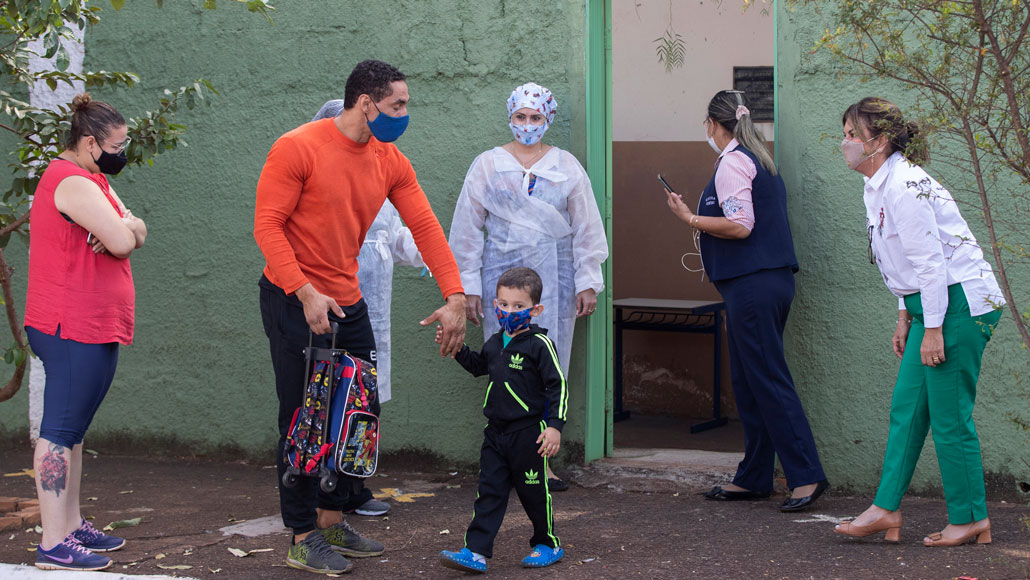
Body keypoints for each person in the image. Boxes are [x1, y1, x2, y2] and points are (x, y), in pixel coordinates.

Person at [255, 60, 467, 575]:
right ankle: (301, 534)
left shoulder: (389, 158)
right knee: (304, 420)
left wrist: (455, 296)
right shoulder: (298, 146)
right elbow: (268, 227)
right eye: (398, 104)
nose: (404, 113)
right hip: (293, 299)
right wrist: (304, 291)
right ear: (366, 103)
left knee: (357, 412)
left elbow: (426, 227)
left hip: (348, 302)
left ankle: (331, 520)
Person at [833, 97, 1004, 546]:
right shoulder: (878, 186)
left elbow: (929, 264)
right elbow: (901, 264)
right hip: (932, 304)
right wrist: (905, 314)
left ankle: (971, 518)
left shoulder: (905, 185)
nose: (845, 143)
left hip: (960, 302)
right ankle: (885, 509)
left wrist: (932, 329)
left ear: (881, 141)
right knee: (907, 409)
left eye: (853, 134)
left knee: (949, 417)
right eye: (845, 133)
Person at [664, 90, 828, 512]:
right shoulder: (758, 158)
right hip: (759, 284)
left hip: (753, 286)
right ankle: (754, 477)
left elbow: (740, 226)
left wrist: (688, 218)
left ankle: (806, 477)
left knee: (768, 379)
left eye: (706, 123)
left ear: (715, 124)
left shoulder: (734, 162)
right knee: (750, 380)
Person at [448, 82, 608, 490]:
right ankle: (505, 458)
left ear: (547, 119)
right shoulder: (487, 165)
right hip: (498, 276)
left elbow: (585, 226)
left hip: (552, 279)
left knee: (547, 364)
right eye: (520, 116)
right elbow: (467, 228)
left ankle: (543, 463)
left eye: (535, 117)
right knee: (504, 365)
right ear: (510, 117)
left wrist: (587, 280)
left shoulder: (566, 166)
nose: (527, 124)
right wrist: (468, 287)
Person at [25, 93, 147, 571]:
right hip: (68, 325)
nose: (123, 151)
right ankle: (53, 542)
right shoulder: (71, 183)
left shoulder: (92, 179)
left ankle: (71, 526)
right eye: (118, 144)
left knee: (72, 431)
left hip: (91, 325)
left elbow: (138, 229)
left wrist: (128, 226)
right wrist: (125, 228)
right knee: (58, 431)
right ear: (91, 142)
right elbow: (121, 239)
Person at [308, 100, 426, 518]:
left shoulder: (379, 178)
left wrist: (440, 256)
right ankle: (314, 488)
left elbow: (399, 238)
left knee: (363, 400)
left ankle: (353, 487)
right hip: (324, 305)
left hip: (371, 310)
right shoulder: (315, 180)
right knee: (322, 398)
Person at [437, 267, 567, 573]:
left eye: (519, 306)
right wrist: (456, 349)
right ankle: (475, 552)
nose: (509, 311)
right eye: (504, 304)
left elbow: (557, 386)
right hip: (495, 434)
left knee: (534, 493)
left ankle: (547, 543)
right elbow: (479, 366)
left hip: (528, 435)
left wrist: (554, 427)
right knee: (489, 491)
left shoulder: (540, 345)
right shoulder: (495, 342)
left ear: (536, 309)